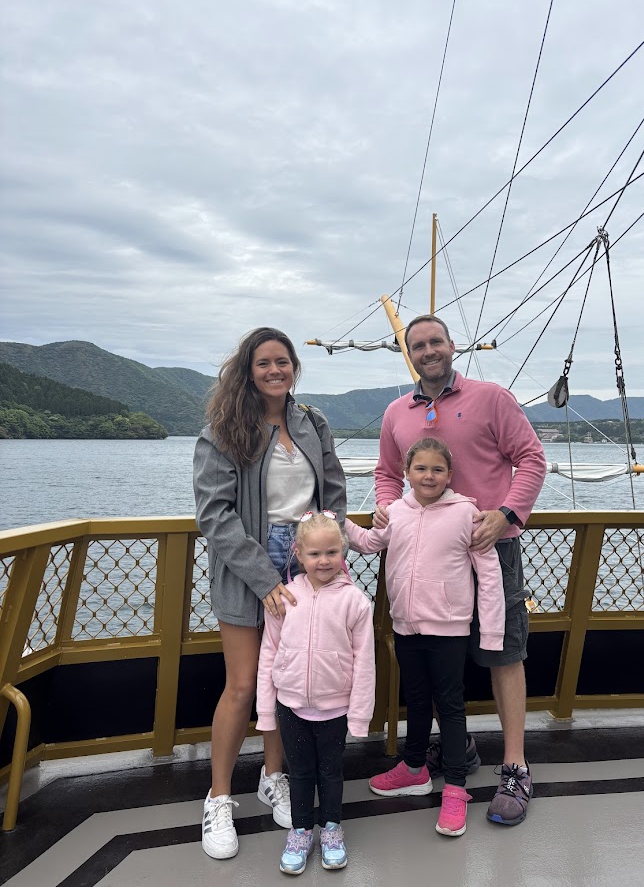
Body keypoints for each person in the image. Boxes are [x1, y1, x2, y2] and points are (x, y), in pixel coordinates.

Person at [373, 315, 545, 827]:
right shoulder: (396, 413)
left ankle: (515, 767)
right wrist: (386, 509)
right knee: (431, 653)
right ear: (410, 354)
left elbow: (531, 458)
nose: (428, 351)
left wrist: (506, 515)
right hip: (425, 557)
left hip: (492, 548)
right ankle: (448, 752)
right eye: (418, 345)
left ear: (452, 346)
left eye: (436, 341)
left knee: (503, 651)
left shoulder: (492, 397)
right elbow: (385, 473)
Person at [193, 327, 346, 860]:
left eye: (283, 362)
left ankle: (273, 776)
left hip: (305, 565)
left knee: (285, 683)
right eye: (264, 363)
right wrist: (265, 580)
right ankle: (217, 799)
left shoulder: (312, 424)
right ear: (248, 370)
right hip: (246, 570)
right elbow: (214, 514)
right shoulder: (224, 430)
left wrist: (324, 555)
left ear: (294, 368)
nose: (274, 370)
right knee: (241, 687)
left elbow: (334, 494)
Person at [346, 437, 504, 838]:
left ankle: (455, 787)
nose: (428, 476)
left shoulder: (466, 513)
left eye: (437, 469)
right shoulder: (395, 512)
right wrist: (336, 521)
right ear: (406, 473)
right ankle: (414, 768)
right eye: (420, 468)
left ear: (450, 475)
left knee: (449, 706)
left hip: (449, 630)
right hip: (405, 626)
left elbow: (489, 575)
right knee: (414, 700)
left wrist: (492, 631)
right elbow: (367, 543)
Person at [256, 511, 375, 875]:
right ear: (298, 553)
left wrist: (359, 715)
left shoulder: (355, 601)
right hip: (290, 707)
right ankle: (301, 829)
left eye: (332, 552)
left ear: (343, 552)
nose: (323, 561)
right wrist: (265, 709)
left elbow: (364, 662)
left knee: (331, 772)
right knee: (301, 773)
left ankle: (332, 827)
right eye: (314, 554)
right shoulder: (285, 598)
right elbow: (269, 654)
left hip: (335, 708)